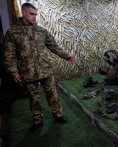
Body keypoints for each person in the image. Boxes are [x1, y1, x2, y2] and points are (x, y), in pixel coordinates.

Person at [3, 3, 75, 132]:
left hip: (45, 70)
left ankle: (58, 115)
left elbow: (53, 46)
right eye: (32, 14)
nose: (34, 17)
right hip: (28, 72)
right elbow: (9, 54)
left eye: (36, 14)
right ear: (23, 13)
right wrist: (13, 72)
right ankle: (37, 120)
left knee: (53, 95)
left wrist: (66, 56)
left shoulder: (41, 31)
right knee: (33, 98)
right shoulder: (13, 32)